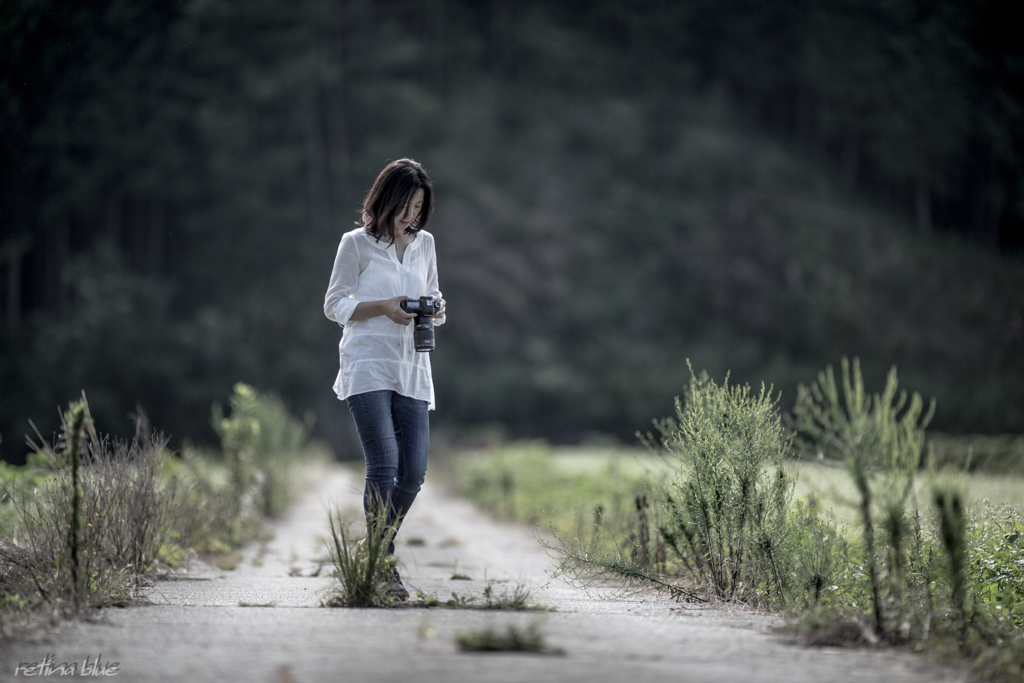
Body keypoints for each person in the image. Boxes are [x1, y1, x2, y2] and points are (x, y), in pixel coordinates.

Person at [323, 158, 445, 600]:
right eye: (407, 205)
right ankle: (381, 563)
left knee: (413, 473)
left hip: (411, 363)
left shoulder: (424, 243)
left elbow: (433, 292)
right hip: (367, 361)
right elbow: (334, 304)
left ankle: (370, 548)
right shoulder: (355, 244)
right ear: (387, 199)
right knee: (385, 464)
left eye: (419, 207)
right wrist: (384, 306)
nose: (413, 215)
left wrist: (433, 307)